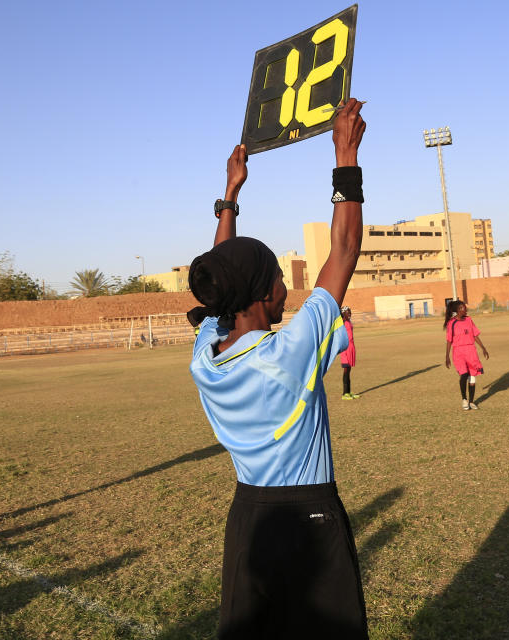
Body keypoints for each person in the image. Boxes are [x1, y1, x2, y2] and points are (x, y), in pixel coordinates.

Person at [188, 98, 368, 638]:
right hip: (310, 519)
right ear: (266, 294)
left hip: (248, 520)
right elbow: (345, 246)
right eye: (278, 278)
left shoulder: (207, 356)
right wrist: (345, 155)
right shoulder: (289, 353)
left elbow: (220, 279)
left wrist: (231, 197)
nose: (287, 286)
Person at [444, 300, 490, 410]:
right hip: (458, 352)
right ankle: (464, 399)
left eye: (465, 307)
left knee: (472, 377)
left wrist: (483, 348)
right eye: (462, 308)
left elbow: (474, 335)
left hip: (471, 350)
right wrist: (447, 356)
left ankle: (472, 402)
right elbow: (449, 340)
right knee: (464, 374)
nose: (465, 309)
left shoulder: (469, 320)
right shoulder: (452, 323)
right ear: (457, 310)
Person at [340, 306, 360, 399]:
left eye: (350, 312)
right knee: (346, 370)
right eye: (348, 312)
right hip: (345, 348)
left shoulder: (348, 321)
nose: (350, 313)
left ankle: (348, 392)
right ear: (344, 313)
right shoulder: (342, 322)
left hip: (351, 347)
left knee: (349, 370)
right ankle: (344, 394)